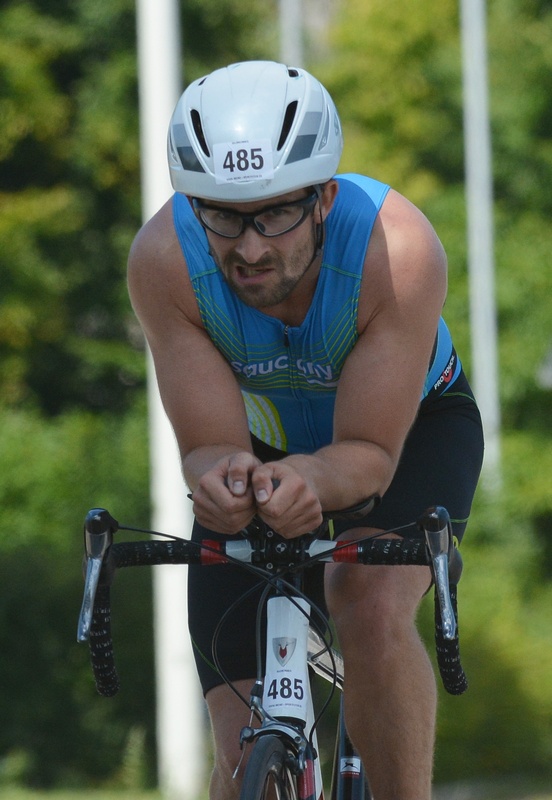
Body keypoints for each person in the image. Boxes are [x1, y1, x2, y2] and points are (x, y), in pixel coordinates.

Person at [127, 60, 484, 800]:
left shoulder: (397, 250)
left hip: (409, 433)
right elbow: (209, 444)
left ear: (324, 198)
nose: (250, 249)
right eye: (222, 216)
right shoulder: (164, 260)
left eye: (275, 215)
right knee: (237, 756)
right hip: (262, 447)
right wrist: (220, 478)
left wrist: (313, 477)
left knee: (367, 601)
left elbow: (371, 454)